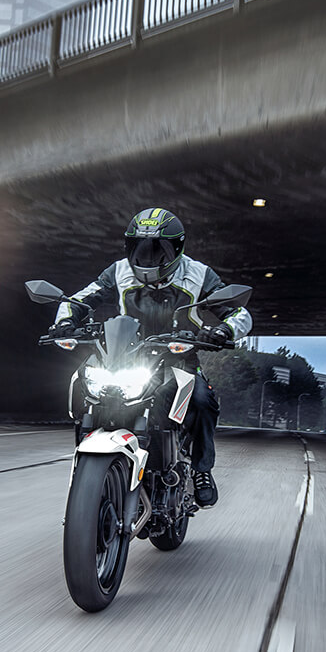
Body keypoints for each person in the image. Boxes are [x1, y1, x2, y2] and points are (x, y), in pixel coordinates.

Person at [48, 208, 252, 507]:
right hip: (124, 356)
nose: (148, 257)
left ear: (177, 248)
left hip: (179, 359)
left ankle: (201, 470)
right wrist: (65, 321)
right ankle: (87, 469)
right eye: (140, 248)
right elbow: (80, 299)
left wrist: (223, 330)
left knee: (202, 401)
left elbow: (238, 313)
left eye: (158, 249)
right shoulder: (118, 271)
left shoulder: (198, 274)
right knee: (82, 382)